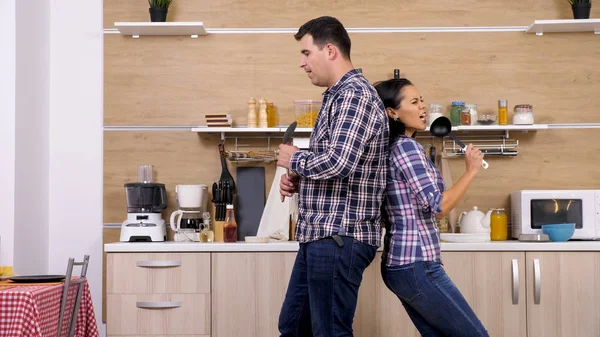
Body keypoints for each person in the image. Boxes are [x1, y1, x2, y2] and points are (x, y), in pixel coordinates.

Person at [276, 16, 389, 337]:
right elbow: (335, 162)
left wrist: (294, 158)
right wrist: (299, 175)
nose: (302, 63)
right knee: (294, 326)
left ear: (329, 51)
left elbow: (339, 162)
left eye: (306, 53)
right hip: (321, 235)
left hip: (338, 236)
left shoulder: (354, 96)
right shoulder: (337, 96)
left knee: (329, 331)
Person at [373, 78, 489, 337]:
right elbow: (438, 206)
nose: (423, 106)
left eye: (422, 99)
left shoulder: (393, 148)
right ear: (392, 113)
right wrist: (471, 170)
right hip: (416, 264)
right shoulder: (407, 149)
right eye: (414, 102)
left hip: (401, 265)